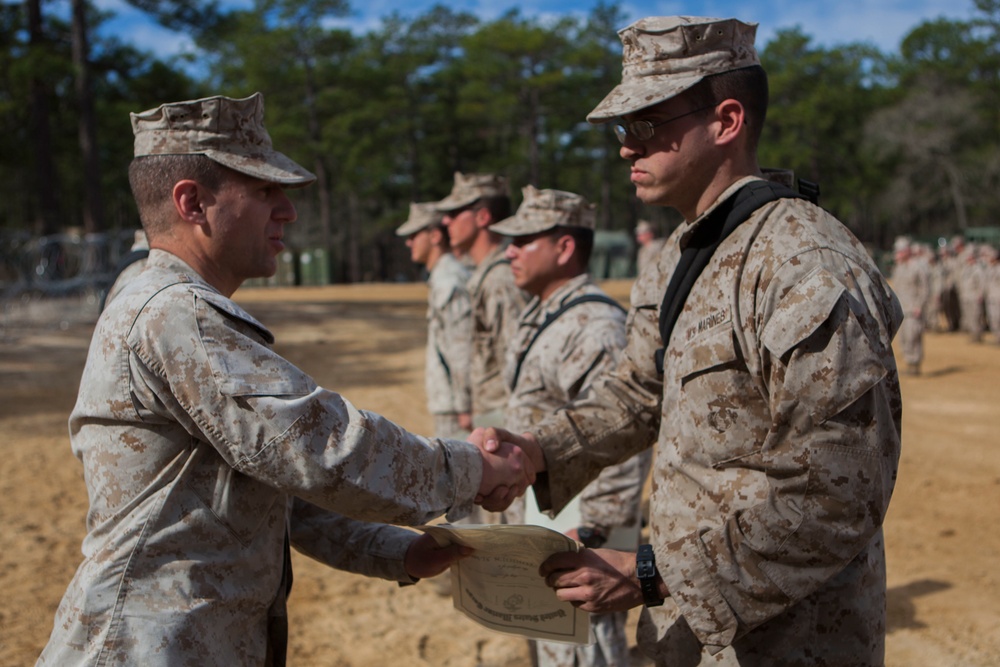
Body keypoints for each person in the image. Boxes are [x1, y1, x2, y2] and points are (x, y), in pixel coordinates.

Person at [37, 93, 534, 667]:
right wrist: (471, 470)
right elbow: (321, 448)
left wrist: (398, 553)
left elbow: (272, 490)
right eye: (265, 191)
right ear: (192, 202)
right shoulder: (176, 315)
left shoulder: (163, 303)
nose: (287, 212)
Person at [498, 17, 904, 665]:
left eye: (646, 124)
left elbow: (839, 493)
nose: (627, 147)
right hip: (690, 628)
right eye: (623, 129)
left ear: (727, 120)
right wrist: (538, 451)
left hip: (790, 637)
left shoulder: (804, 260)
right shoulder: (675, 257)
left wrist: (652, 573)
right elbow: (638, 394)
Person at [495, 185, 652, 667]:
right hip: (548, 522)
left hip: (580, 531)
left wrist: (598, 527)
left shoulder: (593, 324)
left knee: (586, 650)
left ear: (565, 248)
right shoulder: (548, 313)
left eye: (525, 240)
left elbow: (623, 430)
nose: (510, 251)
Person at [438, 171, 528, 524]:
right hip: (491, 419)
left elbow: (517, 366)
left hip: (505, 425)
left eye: (456, 210)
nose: (446, 220)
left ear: (482, 217)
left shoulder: (502, 277)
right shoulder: (485, 274)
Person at [396, 202, 473, 439]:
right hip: (449, 402)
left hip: (454, 407)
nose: (409, 242)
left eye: (414, 235)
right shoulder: (444, 275)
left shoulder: (448, 280)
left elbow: (461, 348)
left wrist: (465, 405)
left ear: (436, 235)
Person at [890, 236, 931, 375]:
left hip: (914, 308)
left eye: (900, 251)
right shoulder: (898, 268)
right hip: (902, 308)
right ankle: (909, 362)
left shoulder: (917, 267)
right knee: (904, 338)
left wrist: (920, 305)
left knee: (914, 336)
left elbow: (925, 288)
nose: (898, 254)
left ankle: (915, 365)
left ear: (907, 251)